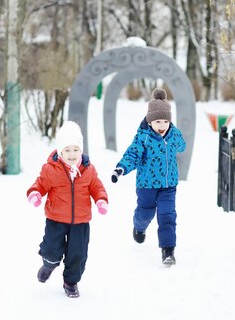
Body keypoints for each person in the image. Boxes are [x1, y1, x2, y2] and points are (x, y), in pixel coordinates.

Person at [27, 121, 109, 298]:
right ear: (59, 151)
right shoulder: (51, 169)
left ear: (81, 150)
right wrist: (35, 193)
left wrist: (101, 200)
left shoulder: (88, 169)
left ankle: (71, 282)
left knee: (78, 254)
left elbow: (97, 187)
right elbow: (40, 183)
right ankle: (49, 263)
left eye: (75, 149)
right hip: (56, 217)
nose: (72, 154)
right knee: (51, 248)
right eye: (67, 150)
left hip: (80, 220)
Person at [111, 88, 186, 265]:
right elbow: (132, 155)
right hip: (146, 185)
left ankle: (168, 251)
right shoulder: (143, 138)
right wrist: (120, 169)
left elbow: (182, 146)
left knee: (167, 215)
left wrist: (173, 132)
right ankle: (139, 226)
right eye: (158, 121)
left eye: (166, 121)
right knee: (145, 213)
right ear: (150, 121)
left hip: (168, 185)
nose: (162, 125)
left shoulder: (172, 134)